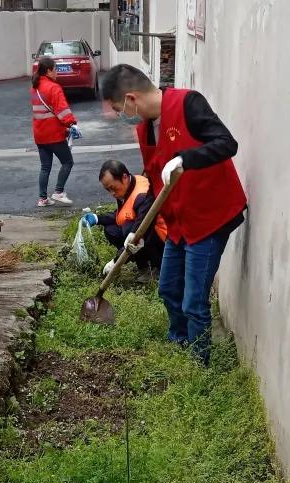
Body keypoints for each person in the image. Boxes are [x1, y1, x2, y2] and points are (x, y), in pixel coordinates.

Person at [101, 65, 247, 365]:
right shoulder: (144, 129)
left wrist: (185, 158)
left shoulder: (188, 103)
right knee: (168, 288)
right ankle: (179, 342)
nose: (120, 115)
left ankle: (199, 363)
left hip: (209, 218)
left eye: (119, 109)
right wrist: (137, 230)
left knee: (194, 300)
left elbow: (227, 144)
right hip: (180, 221)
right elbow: (157, 185)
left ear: (131, 98)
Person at [94, 159, 167, 276]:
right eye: (108, 190)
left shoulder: (142, 195)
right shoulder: (128, 186)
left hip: (160, 238)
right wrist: (97, 218)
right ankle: (143, 264)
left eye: (113, 187)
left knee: (128, 228)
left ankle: (156, 266)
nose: (112, 193)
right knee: (111, 230)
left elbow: (140, 232)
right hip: (142, 232)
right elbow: (123, 214)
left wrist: (116, 261)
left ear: (124, 177)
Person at [31, 56, 80, 208]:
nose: (57, 72)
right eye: (55, 69)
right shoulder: (54, 88)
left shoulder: (35, 87)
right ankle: (58, 192)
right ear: (48, 71)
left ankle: (42, 198)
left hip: (40, 134)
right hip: (54, 135)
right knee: (67, 162)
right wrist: (72, 123)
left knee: (45, 167)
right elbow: (62, 110)